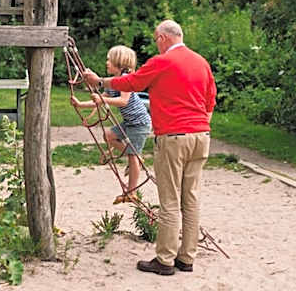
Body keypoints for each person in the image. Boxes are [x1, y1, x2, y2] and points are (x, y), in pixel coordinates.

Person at [84, 20, 216, 276]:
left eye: (157, 39)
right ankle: (186, 257)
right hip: (201, 135)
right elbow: (210, 100)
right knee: (191, 198)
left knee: (169, 200)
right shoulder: (201, 62)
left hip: (173, 136)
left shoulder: (162, 61)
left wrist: (100, 81)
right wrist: (200, 127)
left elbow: (132, 82)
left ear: (162, 38)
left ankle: (165, 259)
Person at [71, 45, 151, 204]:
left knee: (133, 156)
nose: (106, 63)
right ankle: (136, 157)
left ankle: (131, 192)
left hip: (139, 123)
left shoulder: (126, 79)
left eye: (109, 60)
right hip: (129, 122)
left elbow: (123, 101)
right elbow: (100, 100)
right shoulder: (113, 84)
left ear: (119, 63)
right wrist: (80, 104)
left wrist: (103, 99)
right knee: (109, 136)